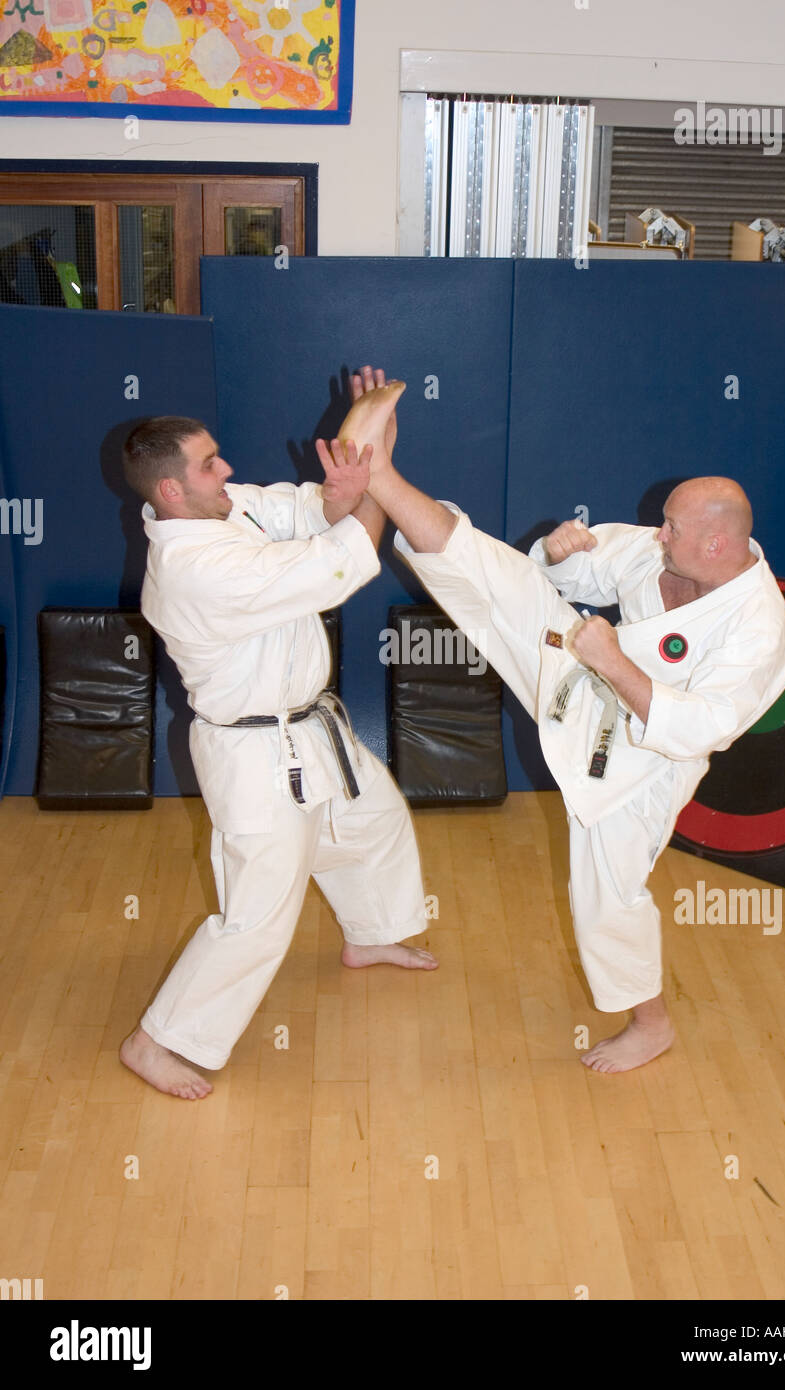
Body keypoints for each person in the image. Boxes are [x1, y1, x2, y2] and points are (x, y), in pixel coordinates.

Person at [338, 375, 785, 1073]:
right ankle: (384, 472)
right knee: (496, 578)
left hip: (645, 763)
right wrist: (556, 553)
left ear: (713, 545)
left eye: (672, 527)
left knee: (604, 894)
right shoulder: (661, 549)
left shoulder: (760, 630)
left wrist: (613, 663)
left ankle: (652, 1022)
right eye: (664, 521)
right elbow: (576, 576)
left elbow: (700, 728)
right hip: (585, 676)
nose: (657, 530)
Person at [119, 367, 436, 1101]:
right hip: (255, 756)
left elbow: (304, 510)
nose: (226, 467)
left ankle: (371, 932)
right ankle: (157, 1040)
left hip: (307, 730)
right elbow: (334, 565)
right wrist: (377, 481)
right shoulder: (194, 567)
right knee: (258, 915)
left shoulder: (215, 511)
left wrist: (352, 472)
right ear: (171, 489)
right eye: (209, 463)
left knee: (374, 818)